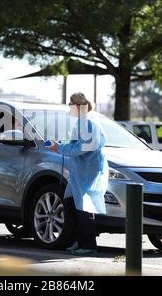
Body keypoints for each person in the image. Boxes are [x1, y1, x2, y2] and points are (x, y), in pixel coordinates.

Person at [46, 92, 109, 256]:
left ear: (78, 105)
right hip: (80, 171)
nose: (68, 106)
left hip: (86, 171)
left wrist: (58, 148)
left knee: (84, 207)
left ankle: (88, 246)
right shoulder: (83, 123)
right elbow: (78, 145)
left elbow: (82, 148)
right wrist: (62, 146)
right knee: (69, 204)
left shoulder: (88, 123)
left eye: (70, 103)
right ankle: (78, 240)